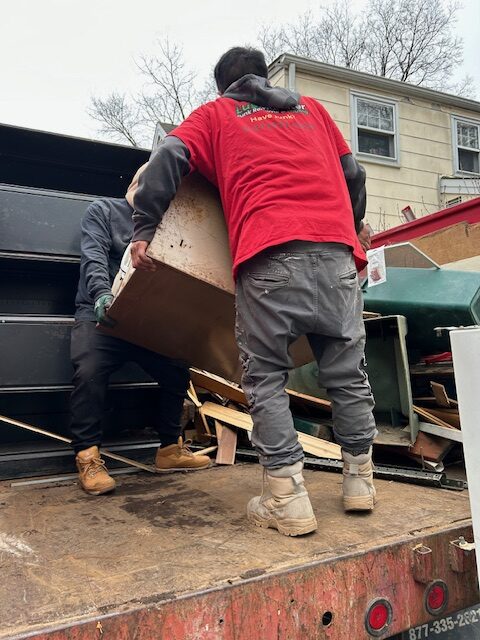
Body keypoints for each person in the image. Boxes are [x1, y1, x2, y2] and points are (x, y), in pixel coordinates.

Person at [130, 47, 377, 536]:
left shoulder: (216, 115)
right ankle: (359, 484)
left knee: (264, 377)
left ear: (223, 87)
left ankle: (287, 499)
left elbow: (169, 156)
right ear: (265, 77)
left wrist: (144, 227)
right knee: (347, 374)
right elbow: (354, 174)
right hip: (335, 257)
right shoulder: (313, 110)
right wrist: (352, 223)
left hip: (268, 254)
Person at [70, 166, 210, 496]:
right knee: (88, 369)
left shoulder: (169, 225)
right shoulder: (103, 211)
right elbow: (93, 258)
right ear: (136, 185)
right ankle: (88, 456)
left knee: (177, 367)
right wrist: (102, 294)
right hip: (100, 314)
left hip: (146, 319)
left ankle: (169, 450)